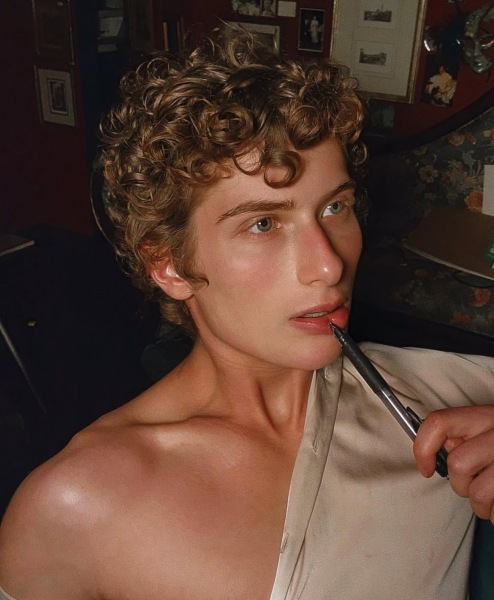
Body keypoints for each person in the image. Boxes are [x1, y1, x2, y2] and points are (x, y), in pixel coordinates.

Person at [0, 31, 494, 600]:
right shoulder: (76, 508)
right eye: (263, 224)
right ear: (170, 265)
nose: (329, 265)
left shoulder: (449, 394)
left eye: (334, 207)